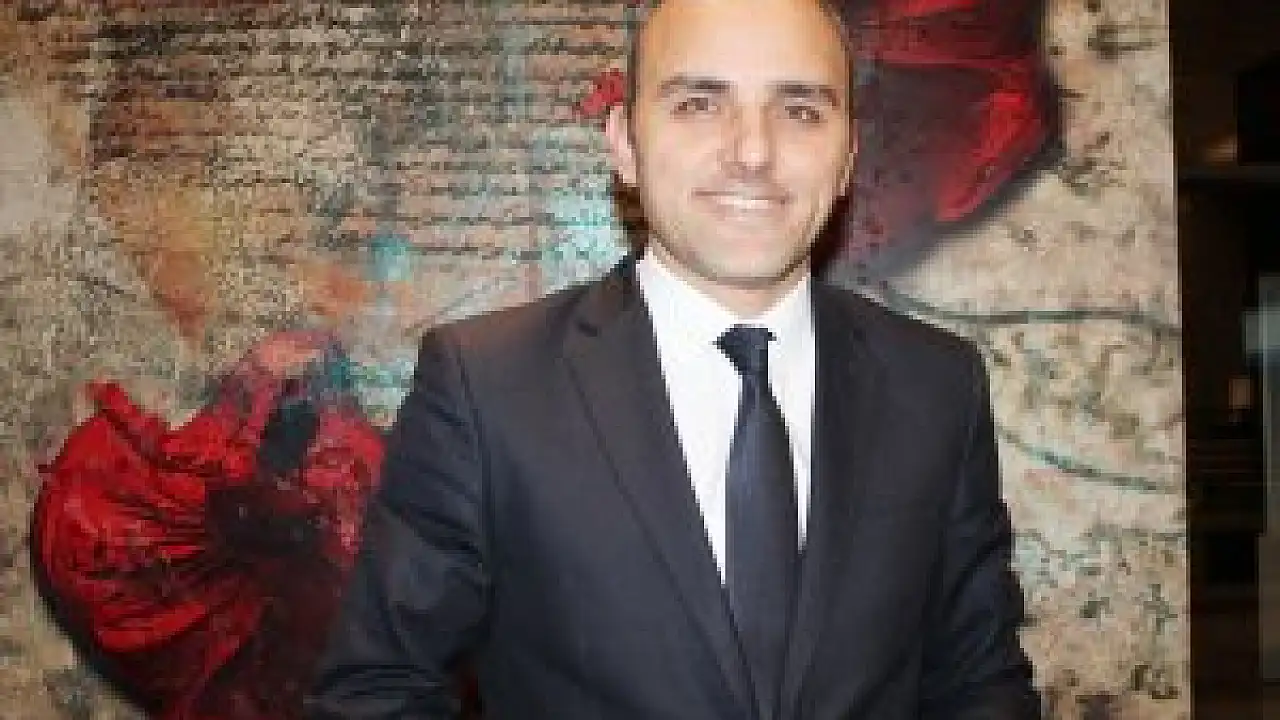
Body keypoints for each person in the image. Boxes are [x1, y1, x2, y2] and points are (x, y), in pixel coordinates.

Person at [304, 0, 1041, 718]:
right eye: (699, 104)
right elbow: (376, 690)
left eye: (800, 110)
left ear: (848, 155)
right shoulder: (486, 387)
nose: (753, 151)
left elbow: (979, 684)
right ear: (625, 142)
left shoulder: (937, 387)